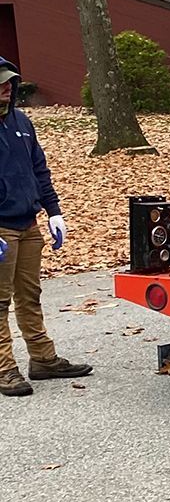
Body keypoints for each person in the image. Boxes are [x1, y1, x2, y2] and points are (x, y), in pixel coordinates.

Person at [0, 58, 92, 397]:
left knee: (30, 296)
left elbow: (40, 169)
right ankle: (5, 369)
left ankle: (42, 359)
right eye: (2, 83)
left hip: (27, 223)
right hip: (2, 228)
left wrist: (54, 212)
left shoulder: (22, 122)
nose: (8, 88)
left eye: (10, 82)